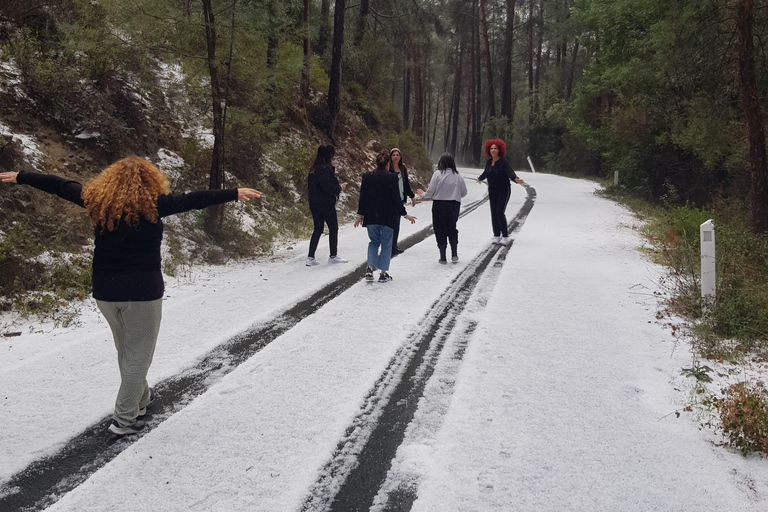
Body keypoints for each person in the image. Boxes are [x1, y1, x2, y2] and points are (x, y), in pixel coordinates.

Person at [0, 157, 261, 436]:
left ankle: (142, 398)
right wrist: (233, 193)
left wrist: (22, 175)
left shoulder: (96, 201)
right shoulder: (157, 205)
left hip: (105, 292)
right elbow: (195, 199)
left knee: (127, 350)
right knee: (138, 355)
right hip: (142, 293)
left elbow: (59, 185)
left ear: (109, 179)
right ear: (151, 181)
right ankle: (124, 420)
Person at [354, 150, 416, 282]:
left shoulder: (367, 177)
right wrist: (405, 215)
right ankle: (383, 273)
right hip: (387, 217)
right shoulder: (392, 178)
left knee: (373, 242)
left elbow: (363, 198)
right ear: (387, 164)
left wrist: (360, 215)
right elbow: (396, 199)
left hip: (371, 217)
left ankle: (370, 269)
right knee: (386, 244)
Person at [416, 153, 467, 263]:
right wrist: (454, 194)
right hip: (454, 205)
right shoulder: (458, 176)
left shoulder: (437, 174)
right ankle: (454, 254)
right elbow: (464, 192)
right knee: (452, 228)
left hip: (439, 205)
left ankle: (443, 256)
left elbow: (430, 191)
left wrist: (423, 195)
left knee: (440, 229)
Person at [476, 139, 524, 244]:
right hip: (492, 190)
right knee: (493, 212)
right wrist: (480, 178)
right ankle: (496, 235)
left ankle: (505, 236)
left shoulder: (503, 162)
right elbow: (486, 173)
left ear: (499, 150)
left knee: (499, 212)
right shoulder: (488, 162)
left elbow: (510, 172)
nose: (493, 150)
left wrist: (516, 179)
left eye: (495, 148)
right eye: (491, 148)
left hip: (503, 190)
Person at [307, 144, 348, 266]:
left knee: (318, 228)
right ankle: (333, 255)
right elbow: (329, 187)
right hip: (326, 203)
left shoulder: (313, 169)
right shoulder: (326, 169)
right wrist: (339, 188)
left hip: (314, 203)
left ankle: (310, 257)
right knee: (333, 228)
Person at [389, 147, 416, 256]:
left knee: (396, 224)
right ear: (390, 157)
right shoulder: (388, 168)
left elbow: (406, 184)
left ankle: (394, 245)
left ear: (400, 157)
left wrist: (412, 196)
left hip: (400, 198)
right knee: (390, 224)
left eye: (397, 155)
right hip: (389, 200)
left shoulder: (403, 169)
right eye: (393, 155)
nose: (395, 157)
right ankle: (389, 245)